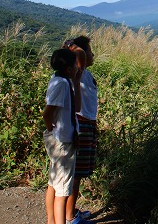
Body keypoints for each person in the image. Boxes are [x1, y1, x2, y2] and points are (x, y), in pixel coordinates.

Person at [43, 48, 82, 224]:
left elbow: (76, 107)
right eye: (75, 64)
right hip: (62, 142)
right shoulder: (62, 84)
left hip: (60, 139)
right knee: (62, 192)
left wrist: (76, 82)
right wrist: (52, 129)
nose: (78, 67)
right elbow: (48, 112)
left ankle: (51, 221)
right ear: (68, 68)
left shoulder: (61, 80)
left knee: (53, 183)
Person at [64, 36, 98, 224]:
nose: (92, 55)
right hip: (82, 123)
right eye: (90, 51)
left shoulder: (84, 75)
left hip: (87, 124)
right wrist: (71, 44)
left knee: (78, 172)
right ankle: (70, 218)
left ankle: (71, 211)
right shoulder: (78, 71)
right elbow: (80, 54)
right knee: (75, 174)